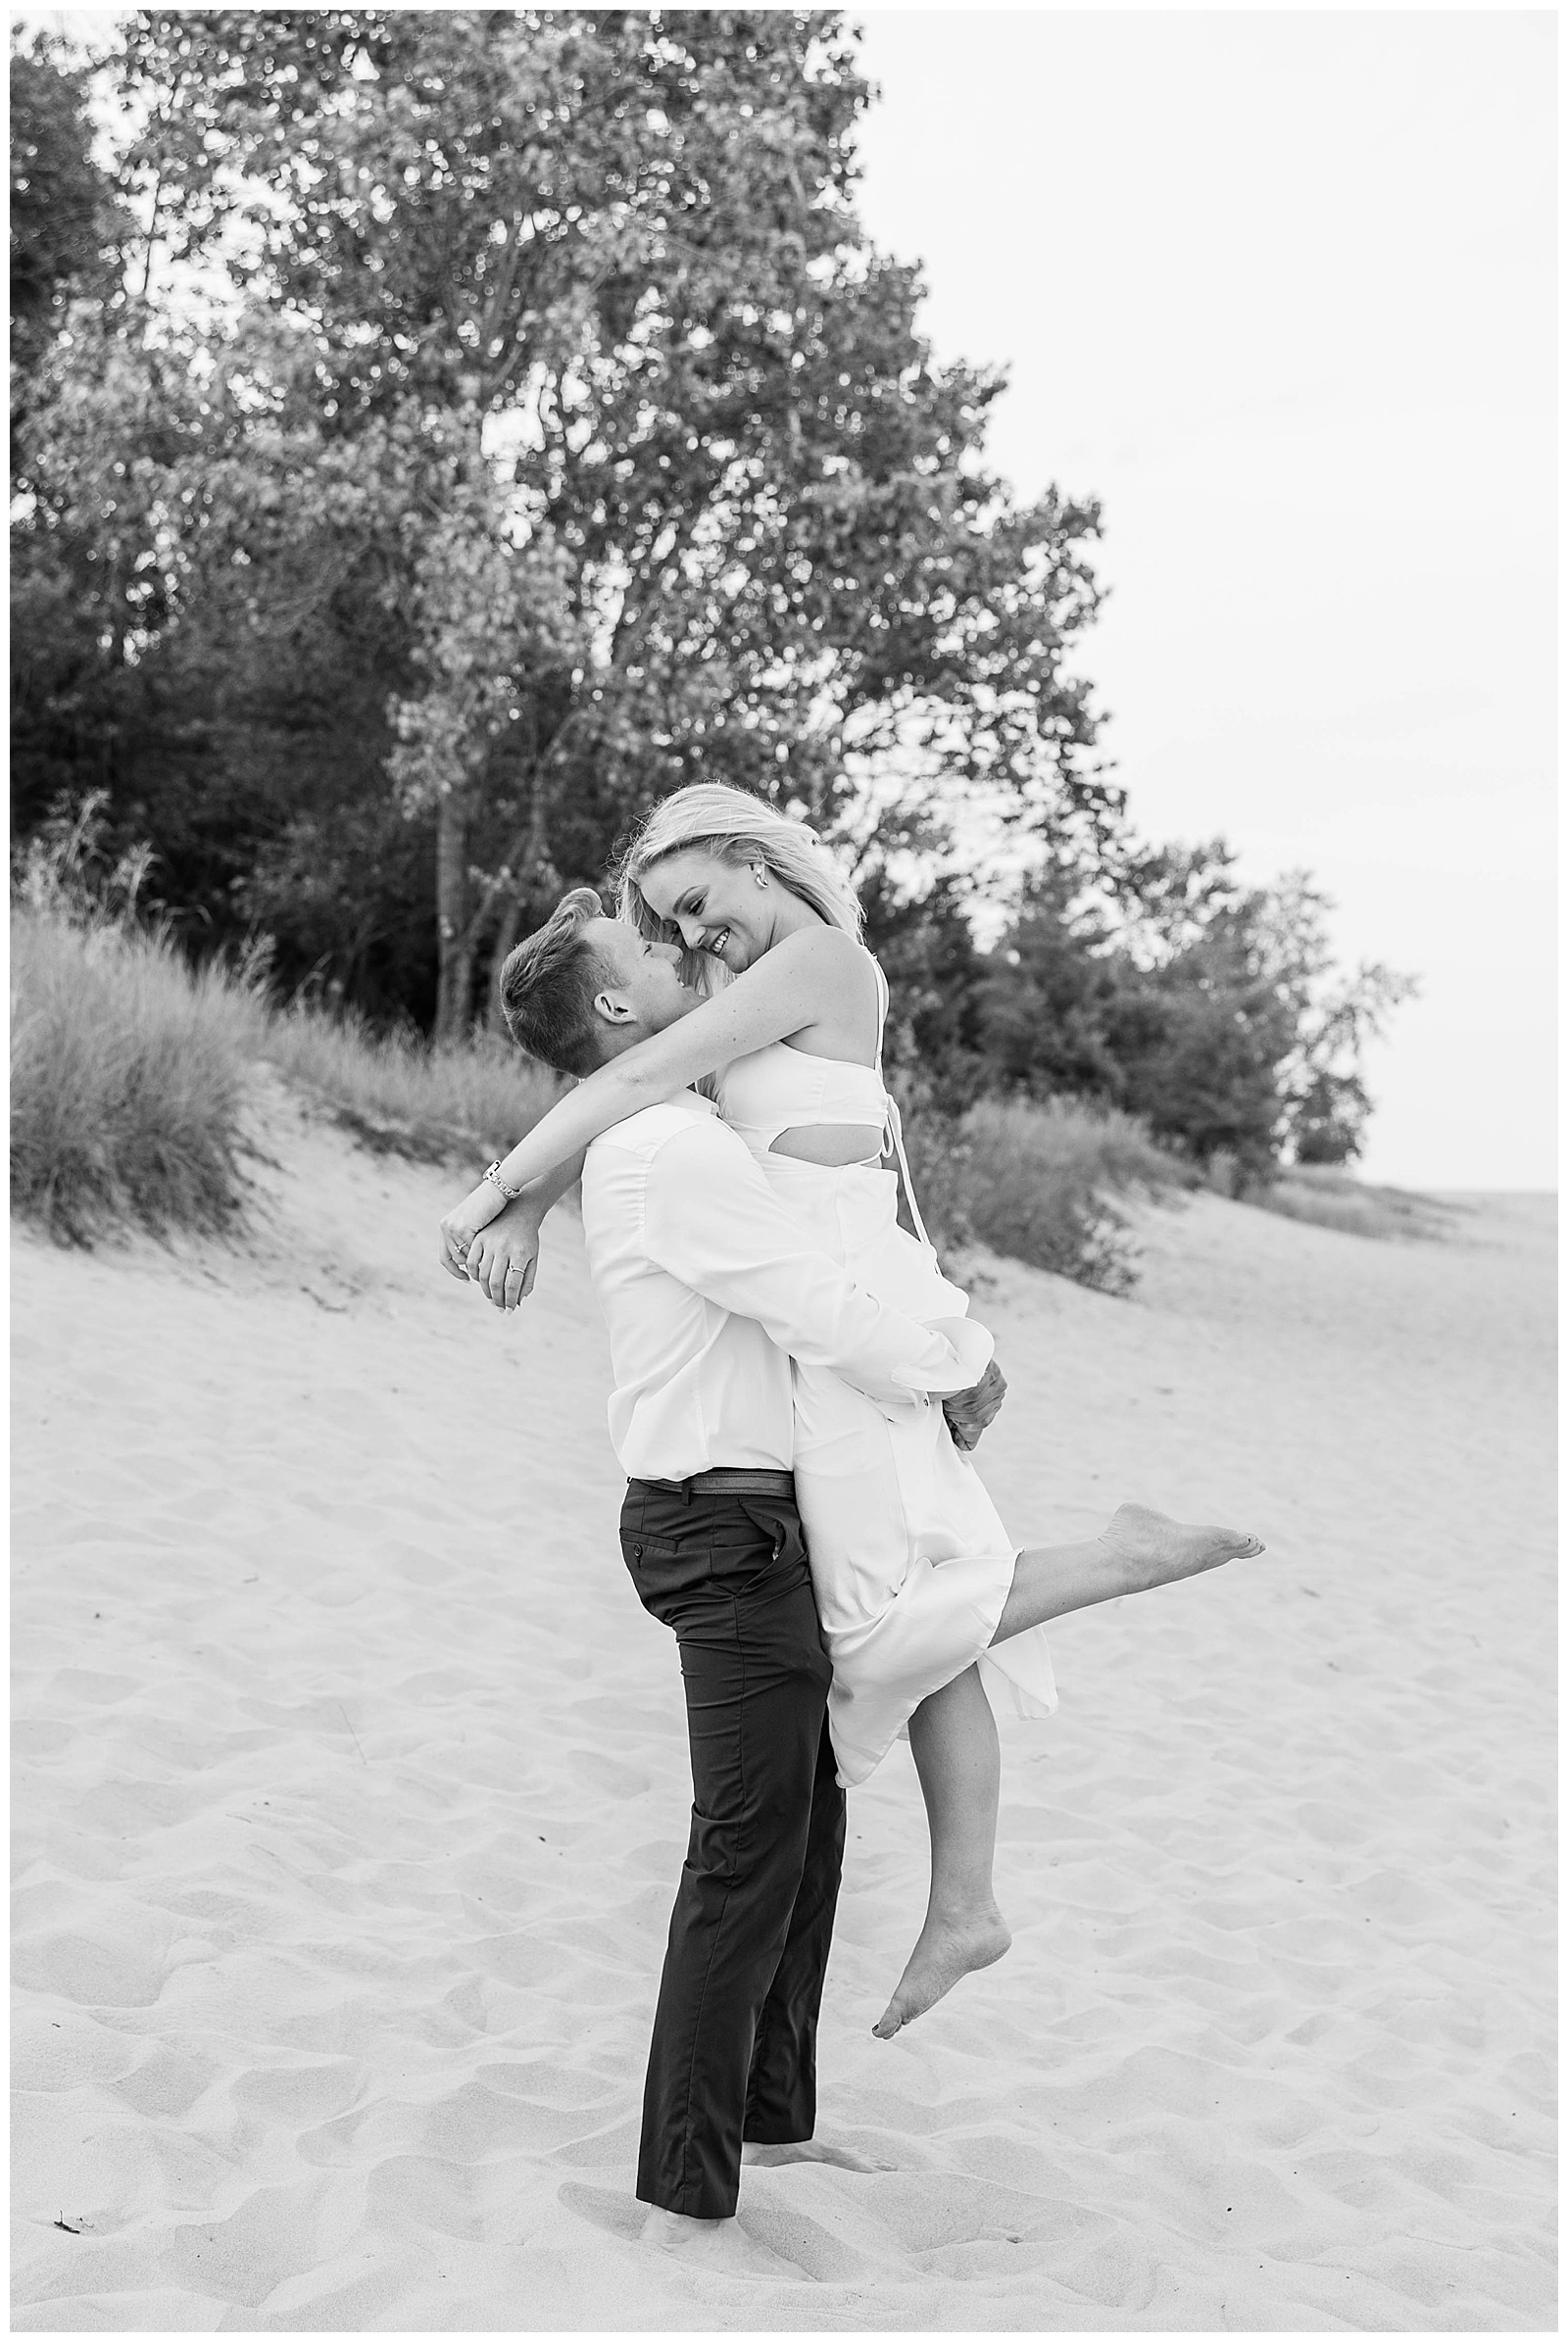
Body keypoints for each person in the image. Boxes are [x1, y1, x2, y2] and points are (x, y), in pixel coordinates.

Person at [442, 790, 1263, 2037]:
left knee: (878, 1631)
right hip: (835, 1323)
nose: (699, 936)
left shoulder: (819, 960)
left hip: (843, 1333)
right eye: (672, 925)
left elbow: (647, 1064)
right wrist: (532, 1206)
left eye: (701, 904)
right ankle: (965, 1902)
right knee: (919, 1612)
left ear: (755, 858)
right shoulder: (750, 995)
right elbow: (640, 1079)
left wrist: (497, 1192)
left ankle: (1115, 1561)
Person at [457, 907, 1004, 2274]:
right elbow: (814, 1297)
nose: (675, 955)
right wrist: (960, 1361)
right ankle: (681, 2189)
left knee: (807, 1828)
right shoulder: (671, 1154)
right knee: (745, 1849)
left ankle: (771, 2121)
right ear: (623, 1017)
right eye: (640, 952)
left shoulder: (670, 1132)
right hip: (721, 1526)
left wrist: (520, 1189)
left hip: (753, 1519)